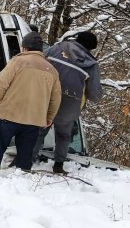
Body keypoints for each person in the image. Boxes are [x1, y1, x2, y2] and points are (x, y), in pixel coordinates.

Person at [0, 31, 61, 179]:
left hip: (8, 115)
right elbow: (55, 98)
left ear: (24, 48)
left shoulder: (17, 62)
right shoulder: (52, 70)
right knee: (26, 153)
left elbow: (1, 83)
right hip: (33, 120)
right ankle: (22, 180)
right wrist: (49, 117)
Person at [31, 31, 103, 174]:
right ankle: (58, 165)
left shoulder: (57, 48)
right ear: (90, 48)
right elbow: (94, 95)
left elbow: (40, 62)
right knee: (64, 135)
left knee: (40, 130)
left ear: (77, 39)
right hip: (71, 104)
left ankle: (28, 159)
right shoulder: (91, 64)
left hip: (48, 95)